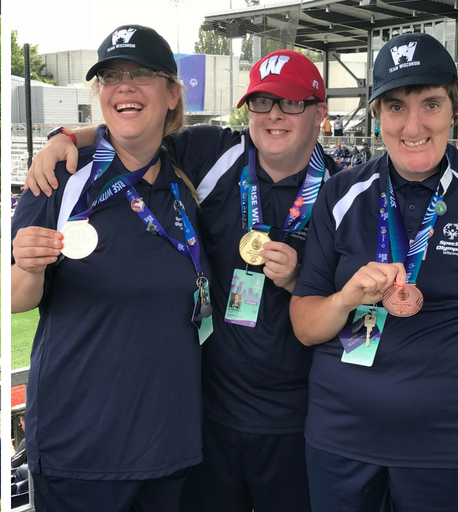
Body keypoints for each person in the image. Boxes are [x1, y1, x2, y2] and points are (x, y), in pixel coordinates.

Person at [26, 47, 339, 512]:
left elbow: (346, 307)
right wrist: (67, 134)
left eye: (292, 102)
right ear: (246, 108)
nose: (275, 116)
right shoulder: (210, 152)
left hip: (298, 423)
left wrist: (297, 280)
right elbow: (138, 131)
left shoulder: (344, 192)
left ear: (320, 112)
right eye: (262, 102)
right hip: (204, 419)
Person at [289, 32, 458, 512]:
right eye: (395, 106)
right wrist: (346, 298)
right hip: (342, 438)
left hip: (450, 444)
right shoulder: (342, 193)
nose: (414, 125)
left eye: (430, 104)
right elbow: (306, 327)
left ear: (454, 108)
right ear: (376, 117)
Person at [12, 25, 210, 510]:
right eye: (110, 76)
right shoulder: (60, 175)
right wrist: (30, 266)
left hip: (169, 445)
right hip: (81, 448)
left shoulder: (189, 175)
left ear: (171, 93)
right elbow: (16, 297)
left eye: (141, 74)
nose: (124, 86)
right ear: (100, 94)